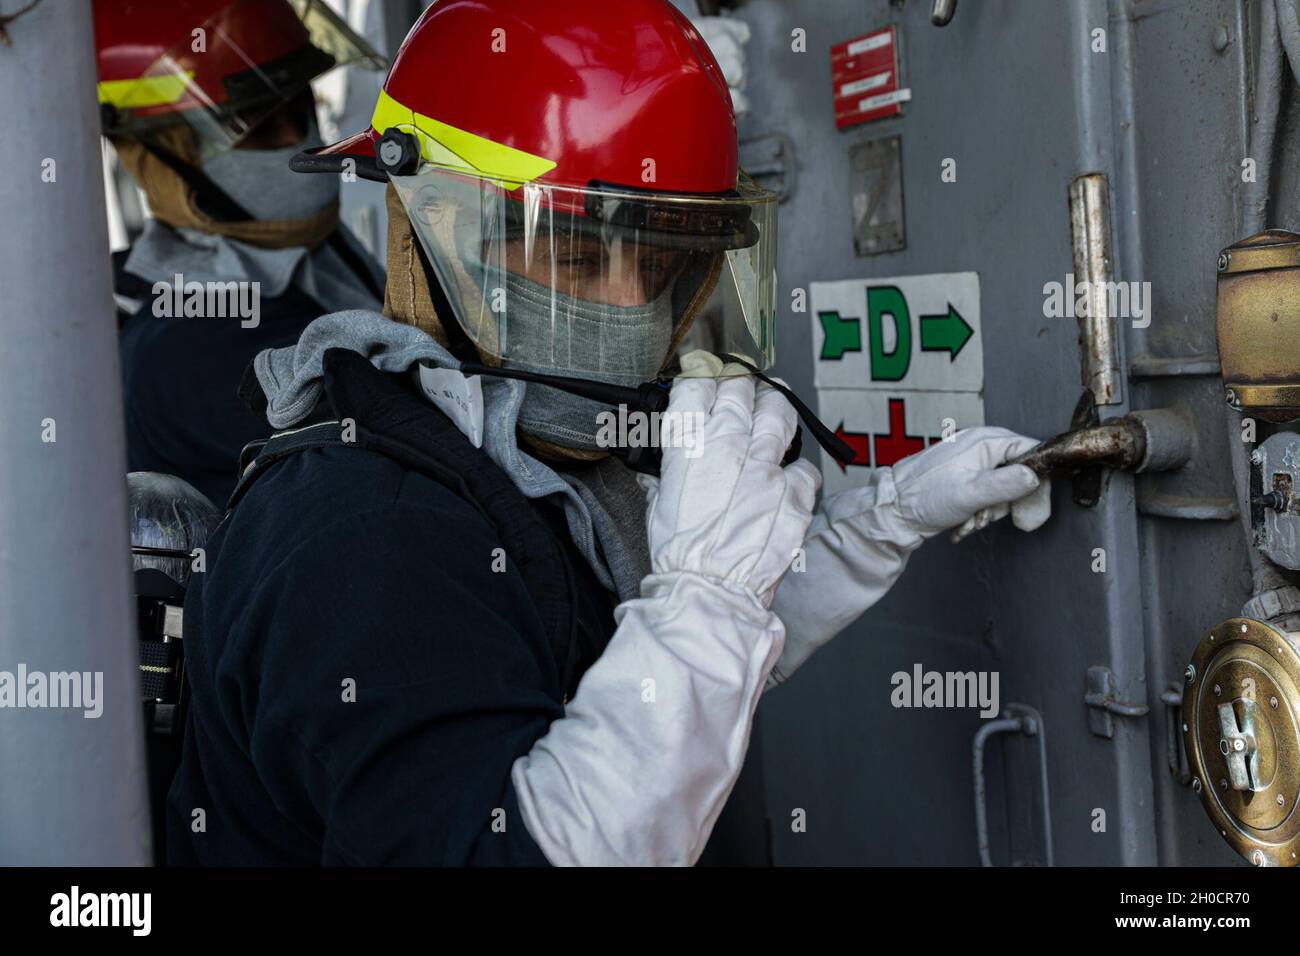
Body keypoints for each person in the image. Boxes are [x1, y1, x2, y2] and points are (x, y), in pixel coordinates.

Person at [169, 0, 1051, 866]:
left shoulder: (502, 454)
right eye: (578, 253)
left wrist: (877, 524)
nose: (633, 305)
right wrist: (706, 599)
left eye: (665, 261)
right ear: (420, 221)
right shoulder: (367, 535)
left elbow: (627, 693)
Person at [95, 0, 387, 504]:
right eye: (259, 127)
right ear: (156, 156)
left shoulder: (303, 248)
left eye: (303, 110)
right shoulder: (189, 346)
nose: (301, 142)